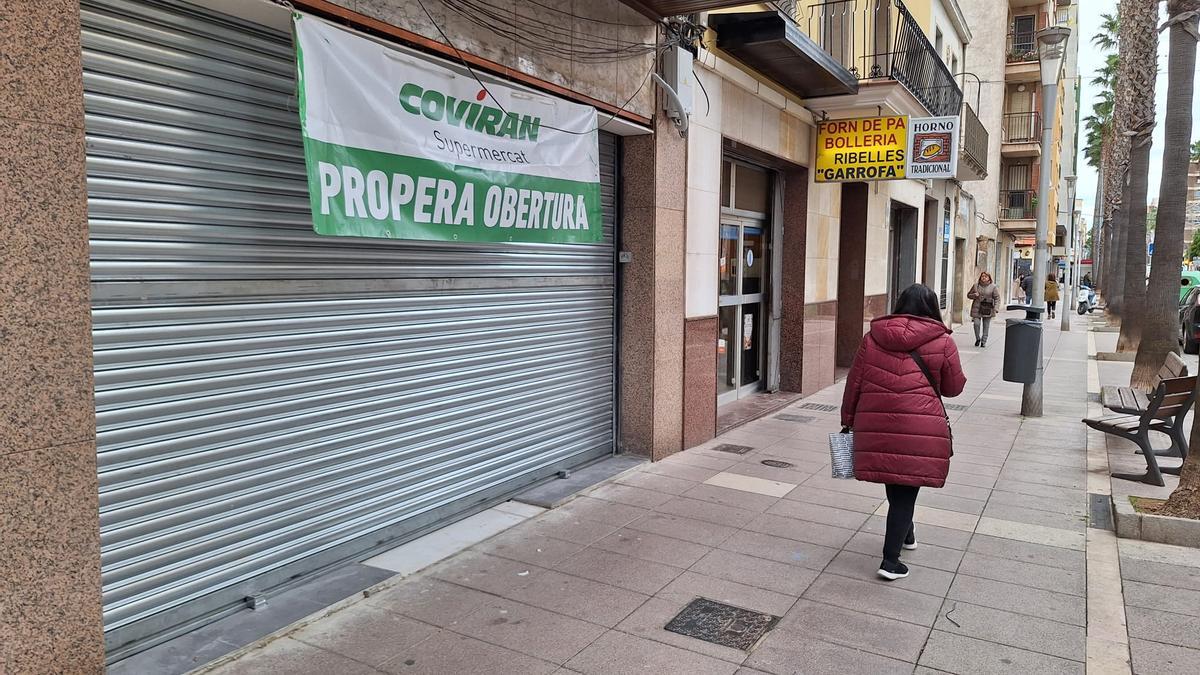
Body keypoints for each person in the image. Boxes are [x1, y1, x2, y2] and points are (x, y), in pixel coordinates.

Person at [840, 284, 967, 581]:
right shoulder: (943, 342)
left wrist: (848, 419)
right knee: (905, 492)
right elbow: (953, 388)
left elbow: (854, 383)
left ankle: (907, 534)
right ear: (932, 308)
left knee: (897, 485)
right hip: (919, 427)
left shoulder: (872, 338)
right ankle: (890, 561)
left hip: (877, 425)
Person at [967, 272, 1001, 348]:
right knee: (976, 324)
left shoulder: (993, 287)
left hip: (988, 308)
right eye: (982, 276)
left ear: (989, 278)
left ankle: (983, 341)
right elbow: (968, 295)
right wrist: (974, 295)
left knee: (986, 326)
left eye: (986, 276)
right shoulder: (976, 286)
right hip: (977, 307)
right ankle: (978, 339)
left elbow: (997, 298)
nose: (984, 277)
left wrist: (996, 307)